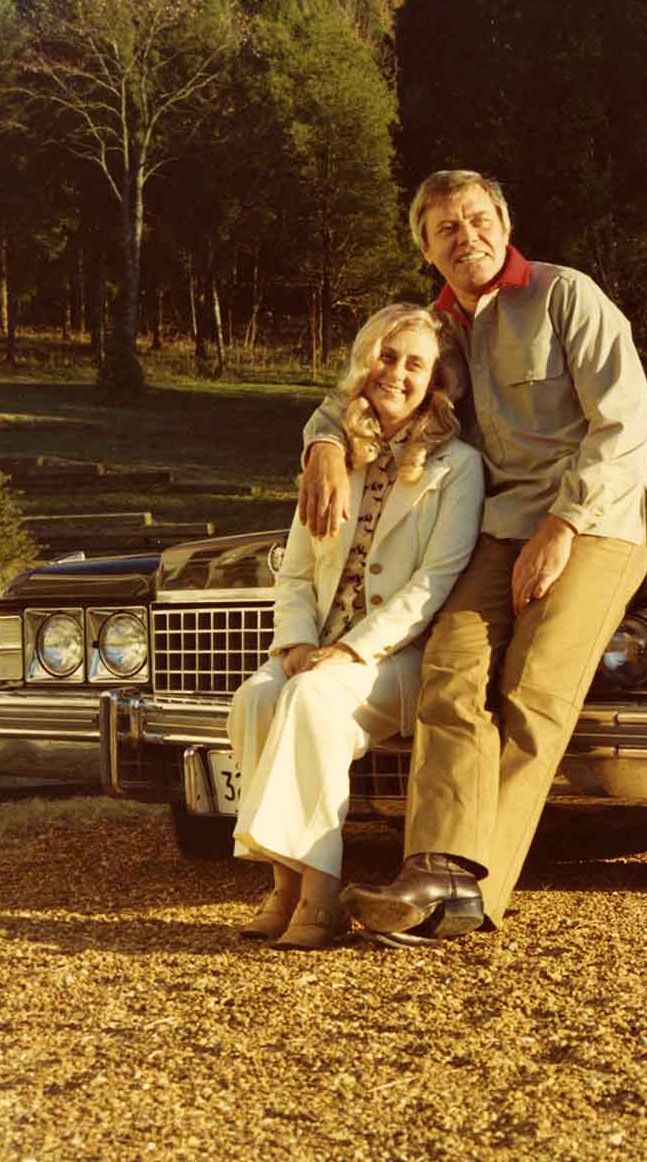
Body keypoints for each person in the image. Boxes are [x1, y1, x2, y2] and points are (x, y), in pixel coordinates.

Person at [297, 169, 647, 946]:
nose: (467, 238)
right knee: (452, 668)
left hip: (595, 520)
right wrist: (324, 442)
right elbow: (361, 384)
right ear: (427, 250)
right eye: (446, 230)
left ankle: (470, 888)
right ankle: (433, 868)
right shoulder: (435, 330)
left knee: (533, 690)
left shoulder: (567, 296)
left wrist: (563, 526)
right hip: (498, 527)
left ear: (504, 218)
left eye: (477, 219)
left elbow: (624, 424)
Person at [230, 303, 484, 950]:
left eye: (415, 364)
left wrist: (347, 651)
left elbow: (434, 583)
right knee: (258, 696)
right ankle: (283, 886)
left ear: (436, 380)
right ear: (364, 360)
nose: (397, 373)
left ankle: (319, 894)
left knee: (313, 699)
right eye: (387, 356)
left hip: (394, 661)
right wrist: (295, 644)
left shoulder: (458, 468)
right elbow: (292, 573)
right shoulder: (336, 455)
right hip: (316, 649)